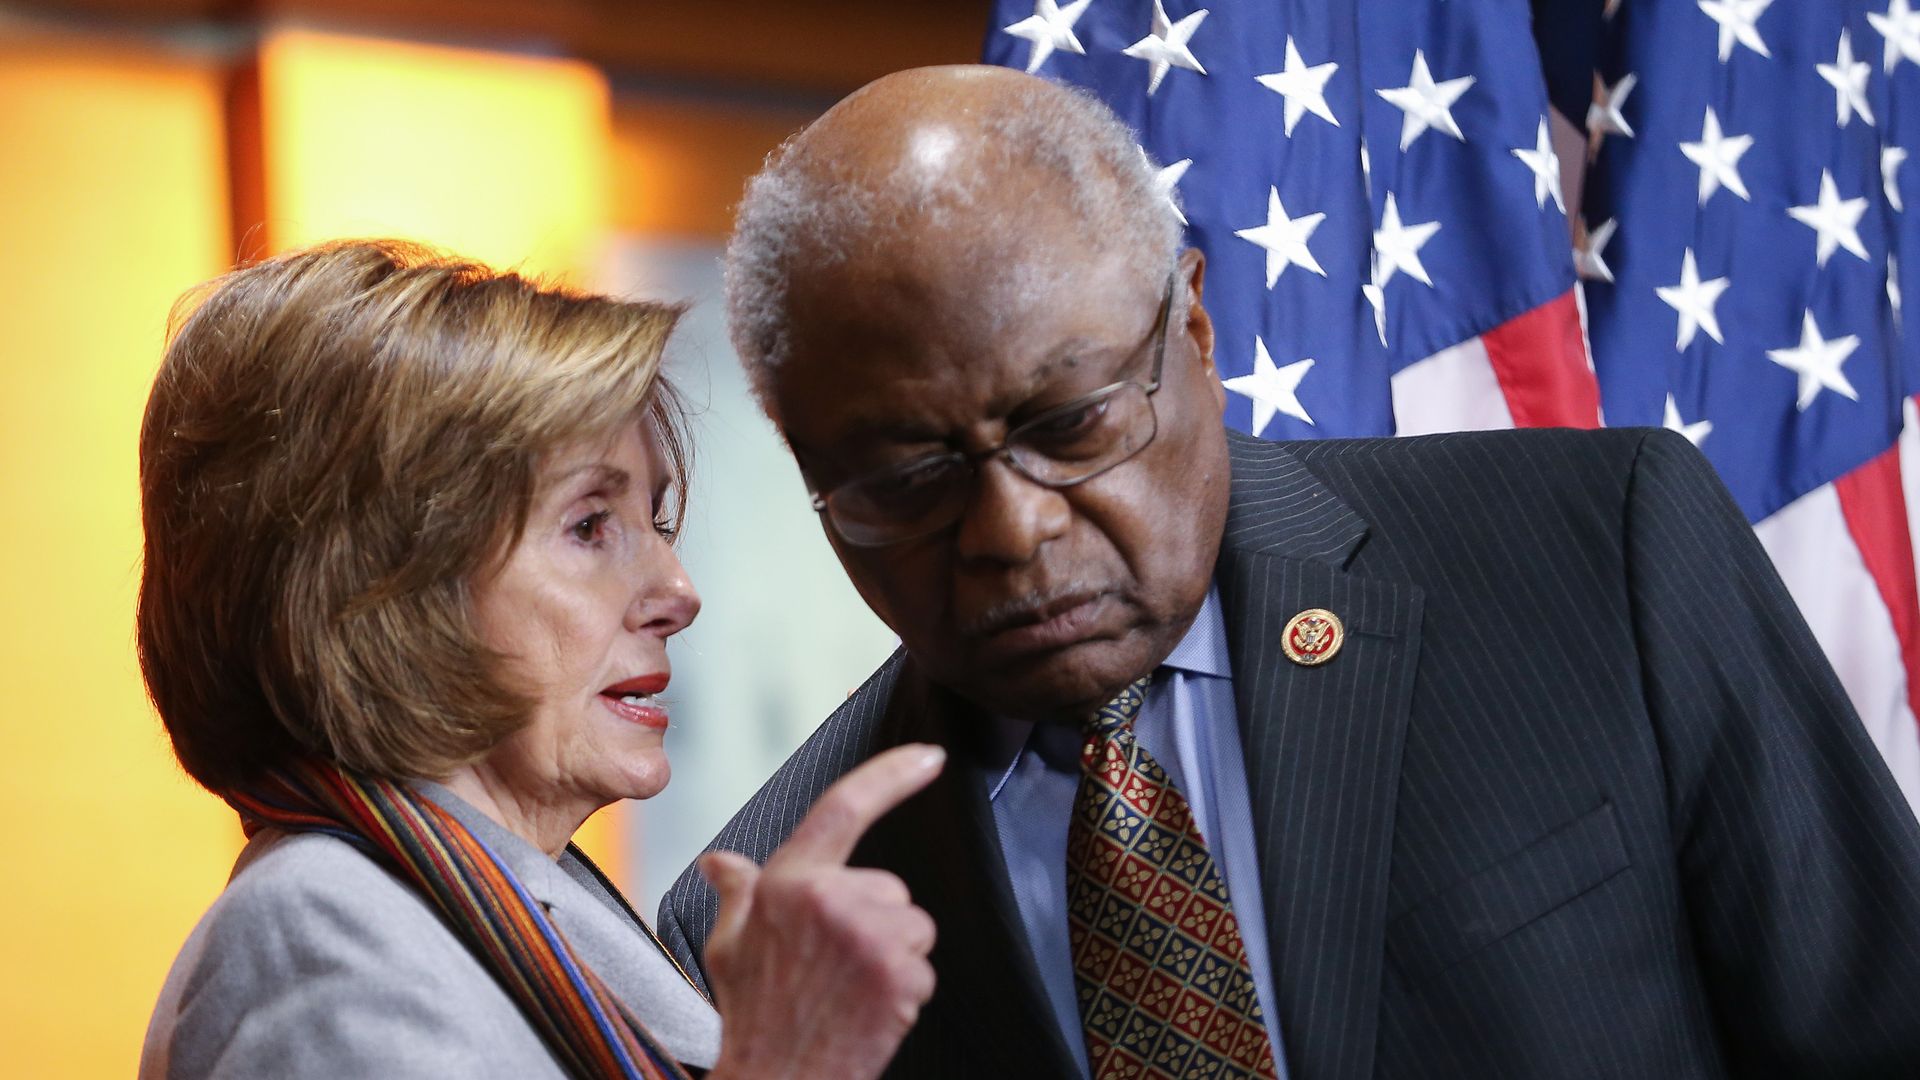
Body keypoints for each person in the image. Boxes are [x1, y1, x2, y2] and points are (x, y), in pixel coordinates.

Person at [657, 64, 1920, 1079]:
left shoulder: (1600, 558)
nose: (1010, 532)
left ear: (1193, 330)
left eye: (1068, 424)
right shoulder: (760, 929)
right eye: (907, 480)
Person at [136, 239, 942, 1080]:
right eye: (590, 526)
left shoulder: (508, 900)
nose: (677, 588)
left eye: (657, 520)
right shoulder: (315, 937)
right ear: (378, 587)